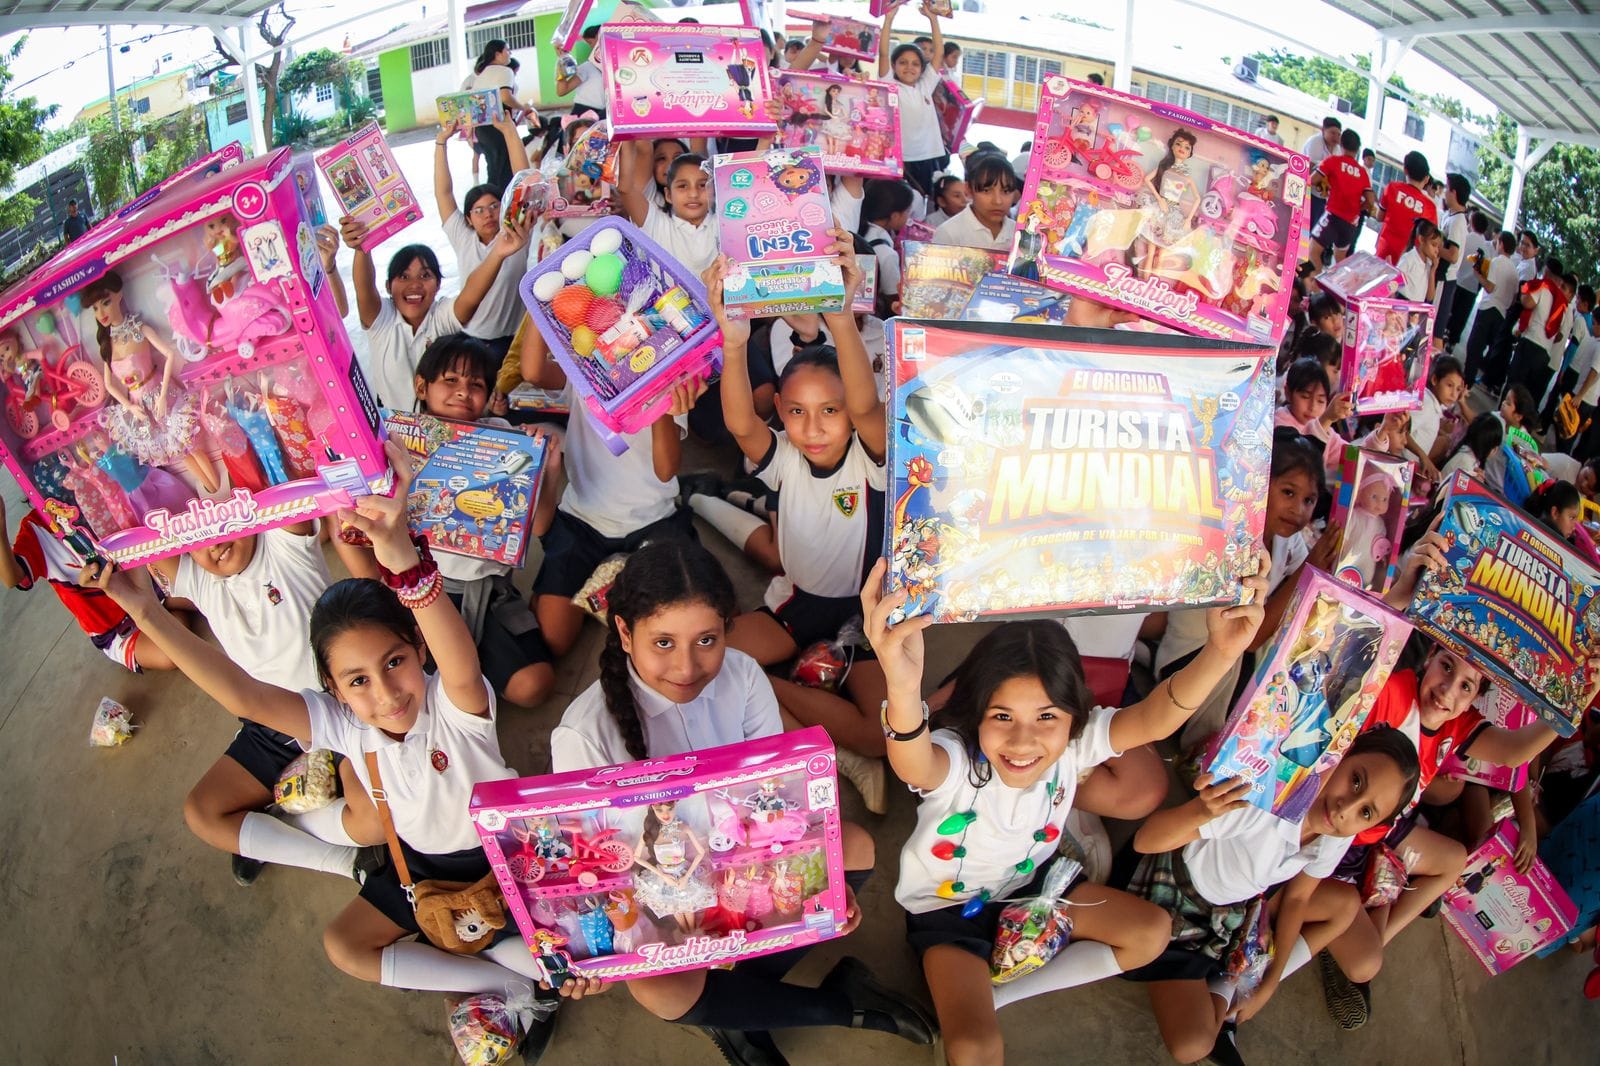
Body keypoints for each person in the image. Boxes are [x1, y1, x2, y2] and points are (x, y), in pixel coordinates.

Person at [80, 441, 598, 1056]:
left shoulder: (457, 707)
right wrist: (144, 611)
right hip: (419, 870)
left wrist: (400, 553)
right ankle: (512, 982)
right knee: (345, 946)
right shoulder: (347, 726)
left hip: (500, 859)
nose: (385, 693)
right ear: (332, 690)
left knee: (562, 953)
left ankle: (527, 970)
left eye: (396, 662)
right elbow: (246, 696)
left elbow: (454, 654)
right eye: (357, 681)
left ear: (419, 651)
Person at [863, 550, 1269, 1065]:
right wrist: (901, 684)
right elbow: (912, 763)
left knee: (1150, 932)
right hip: (948, 913)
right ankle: (986, 993)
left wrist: (1222, 651)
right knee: (973, 1047)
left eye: (1047, 716)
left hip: (1038, 887)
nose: (1024, 740)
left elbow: (1156, 717)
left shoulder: (1077, 745)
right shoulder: (958, 760)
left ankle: (1002, 993)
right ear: (975, 712)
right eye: (1002, 715)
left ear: (1074, 717)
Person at [549, 541, 934, 1062]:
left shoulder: (745, 676)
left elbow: (774, 796)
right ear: (623, 633)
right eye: (662, 642)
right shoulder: (581, 735)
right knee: (660, 990)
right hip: (664, 896)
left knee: (857, 849)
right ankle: (841, 1006)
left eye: (706, 640)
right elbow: (599, 868)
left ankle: (733, 1006)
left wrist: (807, 880)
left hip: (745, 861)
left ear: (728, 629)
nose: (686, 666)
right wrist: (596, 954)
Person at [708, 240, 899, 812]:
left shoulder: (872, 458)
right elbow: (742, 423)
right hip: (796, 603)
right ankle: (834, 751)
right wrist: (734, 344)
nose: (812, 427)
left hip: (863, 612)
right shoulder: (787, 455)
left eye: (829, 410)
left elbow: (867, 409)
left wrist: (841, 322)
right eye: (796, 412)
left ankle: (818, 718)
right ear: (783, 414)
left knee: (881, 735)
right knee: (708, 663)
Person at [1127, 729, 1422, 1064]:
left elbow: (1298, 898)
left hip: (1234, 911)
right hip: (1176, 896)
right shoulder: (1267, 798)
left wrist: (1269, 985)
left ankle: (1228, 990)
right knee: (1192, 1044)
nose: (1346, 808)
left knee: (1345, 917)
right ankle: (1225, 995)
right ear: (1341, 752)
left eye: (1366, 812)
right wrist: (1203, 810)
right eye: (1356, 781)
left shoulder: (1334, 835)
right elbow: (1145, 840)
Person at [150, 519, 384, 887]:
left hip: (340, 712)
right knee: (202, 813)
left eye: (219, 524)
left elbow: (276, 475)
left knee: (374, 823)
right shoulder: (199, 581)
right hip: (270, 723)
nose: (212, 544)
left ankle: (281, 822)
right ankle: (341, 861)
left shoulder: (282, 541)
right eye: (196, 540)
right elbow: (141, 520)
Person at [518, 319, 703, 661]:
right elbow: (532, 370)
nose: (624, 346)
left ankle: (615, 579)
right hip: (582, 522)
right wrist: (536, 296)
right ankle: (613, 580)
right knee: (554, 641)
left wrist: (658, 397)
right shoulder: (585, 377)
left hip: (653, 521)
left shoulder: (669, 386)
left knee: (683, 625)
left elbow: (666, 471)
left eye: (635, 338)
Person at [1156, 430, 1336, 751]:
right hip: (1188, 662)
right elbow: (1250, 639)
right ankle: (1202, 748)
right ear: (1259, 486)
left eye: (1308, 500)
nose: (1298, 509)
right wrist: (1311, 570)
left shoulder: (1285, 539)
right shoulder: (1236, 540)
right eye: (1288, 492)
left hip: (1228, 654)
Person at [336, 217, 529, 411]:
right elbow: (364, 288)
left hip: (441, 425)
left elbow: (471, 296)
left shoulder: (441, 316)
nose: (415, 284)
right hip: (393, 428)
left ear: (438, 285)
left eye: (425, 275)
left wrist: (497, 254)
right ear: (388, 286)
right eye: (404, 276)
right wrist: (362, 248)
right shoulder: (381, 319)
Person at [0, 496, 176, 673]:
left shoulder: (89, 492)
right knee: (169, 655)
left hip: (151, 587)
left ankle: (167, 614)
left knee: (193, 593)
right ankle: (168, 618)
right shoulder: (36, 529)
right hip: (119, 628)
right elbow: (14, 578)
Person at [434, 115, 532, 360]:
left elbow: (525, 181)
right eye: (478, 210)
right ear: (468, 218)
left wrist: (509, 130)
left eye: (494, 206)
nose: (488, 214)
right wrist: (441, 143)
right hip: (473, 339)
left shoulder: (516, 232)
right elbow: (443, 193)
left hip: (514, 340)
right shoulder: (463, 237)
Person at [879, 2, 949, 196]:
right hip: (898, 158)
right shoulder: (890, 86)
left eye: (915, 64)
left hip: (926, 157)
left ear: (921, 68)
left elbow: (939, 53)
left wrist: (933, 19)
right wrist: (889, 18)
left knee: (923, 200)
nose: (909, 68)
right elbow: (883, 53)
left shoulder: (925, 86)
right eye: (902, 63)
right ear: (894, 65)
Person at [620, 141, 718, 275]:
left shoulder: (724, 223)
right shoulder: (656, 225)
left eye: (702, 185)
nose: (693, 194)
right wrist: (624, 135)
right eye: (683, 186)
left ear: (713, 189)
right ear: (668, 195)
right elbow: (626, 188)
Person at [1505, 254, 1569, 407]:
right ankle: (1516, 428)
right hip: (1543, 354)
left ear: (1547, 271)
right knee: (1526, 395)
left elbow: (1527, 303)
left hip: (1529, 344)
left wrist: (1525, 291)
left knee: (1513, 386)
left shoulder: (1542, 287)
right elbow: (1560, 335)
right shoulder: (1563, 304)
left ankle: (1502, 420)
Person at [1305, 128, 1372, 270]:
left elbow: (1311, 180)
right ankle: (1334, 290)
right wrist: (1357, 208)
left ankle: (1316, 290)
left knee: (1312, 251)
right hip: (1350, 224)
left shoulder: (1333, 161)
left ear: (1341, 144)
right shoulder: (1362, 172)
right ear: (1358, 149)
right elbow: (1370, 202)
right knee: (1340, 261)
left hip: (1333, 216)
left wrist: (1322, 186)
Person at [1464, 231, 1520, 390]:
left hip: (1488, 308)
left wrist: (1477, 274)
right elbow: (1514, 298)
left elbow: (1489, 287)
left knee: (1474, 347)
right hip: (1501, 314)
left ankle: (1466, 383)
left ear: (1501, 244)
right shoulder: (1515, 272)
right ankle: (1471, 380)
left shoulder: (1497, 262)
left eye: (1497, 242)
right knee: (1486, 349)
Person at [931, 153, 1019, 252]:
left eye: (1006, 191)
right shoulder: (949, 233)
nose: (997, 201)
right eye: (986, 191)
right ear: (968, 190)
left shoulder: (1019, 234)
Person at [465, 39, 522, 192]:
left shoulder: (483, 74)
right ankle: (501, 202)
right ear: (498, 54)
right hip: (498, 125)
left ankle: (495, 200)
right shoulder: (504, 71)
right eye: (507, 50)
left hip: (482, 128)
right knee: (504, 168)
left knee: (494, 167)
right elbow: (505, 97)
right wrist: (525, 108)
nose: (510, 53)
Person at [1404, 354, 1466, 477]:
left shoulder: (1434, 403)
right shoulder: (1427, 403)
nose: (1454, 394)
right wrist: (1423, 457)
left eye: (1458, 389)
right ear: (1434, 380)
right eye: (1449, 385)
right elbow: (1402, 429)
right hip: (1403, 463)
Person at [1373, 151, 1436, 265]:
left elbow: (1379, 217)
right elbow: (1431, 240)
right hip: (1408, 263)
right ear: (1426, 179)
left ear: (1405, 170)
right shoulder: (1430, 207)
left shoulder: (1392, 188)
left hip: (1383, 253)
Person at [1433, 174, 1472, 347]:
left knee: (1436, 332)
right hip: (1441, 278)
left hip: (1444, 280)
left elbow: (1453, 255)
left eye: (1447, 189)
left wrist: (1433, 247)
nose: (1444, 193)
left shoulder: (1458, 221)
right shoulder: (1452, 216)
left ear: (1454, 192)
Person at [1447, 210, 1491, 349]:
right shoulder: (1486, 247)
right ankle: (1452, 342)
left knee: (1450, 309)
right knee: (1462, 316)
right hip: (1472, 287)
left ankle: (1444, 332)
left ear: (1472, 223)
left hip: (1457, 280)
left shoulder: (1466, 238)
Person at [555, 24, 609, 118]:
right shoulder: (589, 67)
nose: (594, 47)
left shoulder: (619, 67)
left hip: (605, 114)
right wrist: (563, 60)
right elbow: (562, 91)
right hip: (584, 113)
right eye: (590, 43)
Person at [1300, 117, 1342, 228]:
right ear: (1323, 130)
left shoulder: (1337, 150)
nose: (1336, 137)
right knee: (1304, 227)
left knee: (1314, 228)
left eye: (1338, 134)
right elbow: (1311, 169)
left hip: (1323, 196)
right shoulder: (1315, 142)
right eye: (1332, 133)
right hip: (1307, 192)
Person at [1395, 219, 1442, 304]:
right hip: (1401, 303)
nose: (1436, 250)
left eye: (1438, 247)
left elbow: (1430, 297)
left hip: (1416, 307)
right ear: (1421, 240)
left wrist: (1432, 272)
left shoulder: (1429, 264)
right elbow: (1394, 282)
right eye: (1433, 245)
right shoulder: (1409, 258)